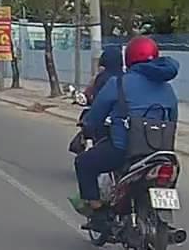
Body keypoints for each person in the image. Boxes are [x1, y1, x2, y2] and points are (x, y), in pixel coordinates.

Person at [71, 36, 179, 228]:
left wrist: (88, 126)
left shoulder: (118, 83)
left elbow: (95, 116)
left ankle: (98, 213)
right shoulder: (168, 88)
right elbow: (173, 120)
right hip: (160, 152)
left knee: (83, 163)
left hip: (124, 150)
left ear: (129, 58)